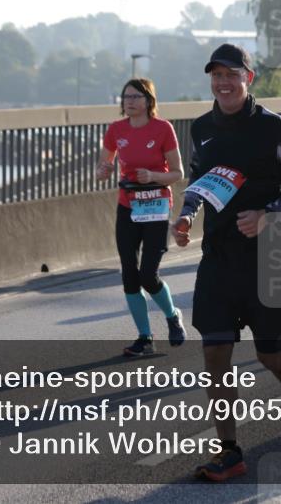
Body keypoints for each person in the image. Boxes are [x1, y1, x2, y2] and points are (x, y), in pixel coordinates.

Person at [171, 44, 281, 481]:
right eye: (216, 75)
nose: (223, 82)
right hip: (217, 256)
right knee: (215, 351)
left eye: (231, 74)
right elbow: (199, 181)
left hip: (267, 256)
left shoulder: (275, 128)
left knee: (271, 355)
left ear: (248, 78)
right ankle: (230, 450)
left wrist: (268, 215)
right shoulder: (201, 128)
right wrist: (184, 217)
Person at [97, 78, 187, 357]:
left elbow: (177, 173)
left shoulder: (163, 129)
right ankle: (145, 337)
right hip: (128, 206)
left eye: (136, 97)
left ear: (149, 100)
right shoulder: (115, 130)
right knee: (129, 274)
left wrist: (154, 176)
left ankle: (172, 316)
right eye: (126, 97)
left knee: (148, 274)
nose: (130, 101)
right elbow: (105, 162)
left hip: (157, 206)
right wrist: (103, 171)